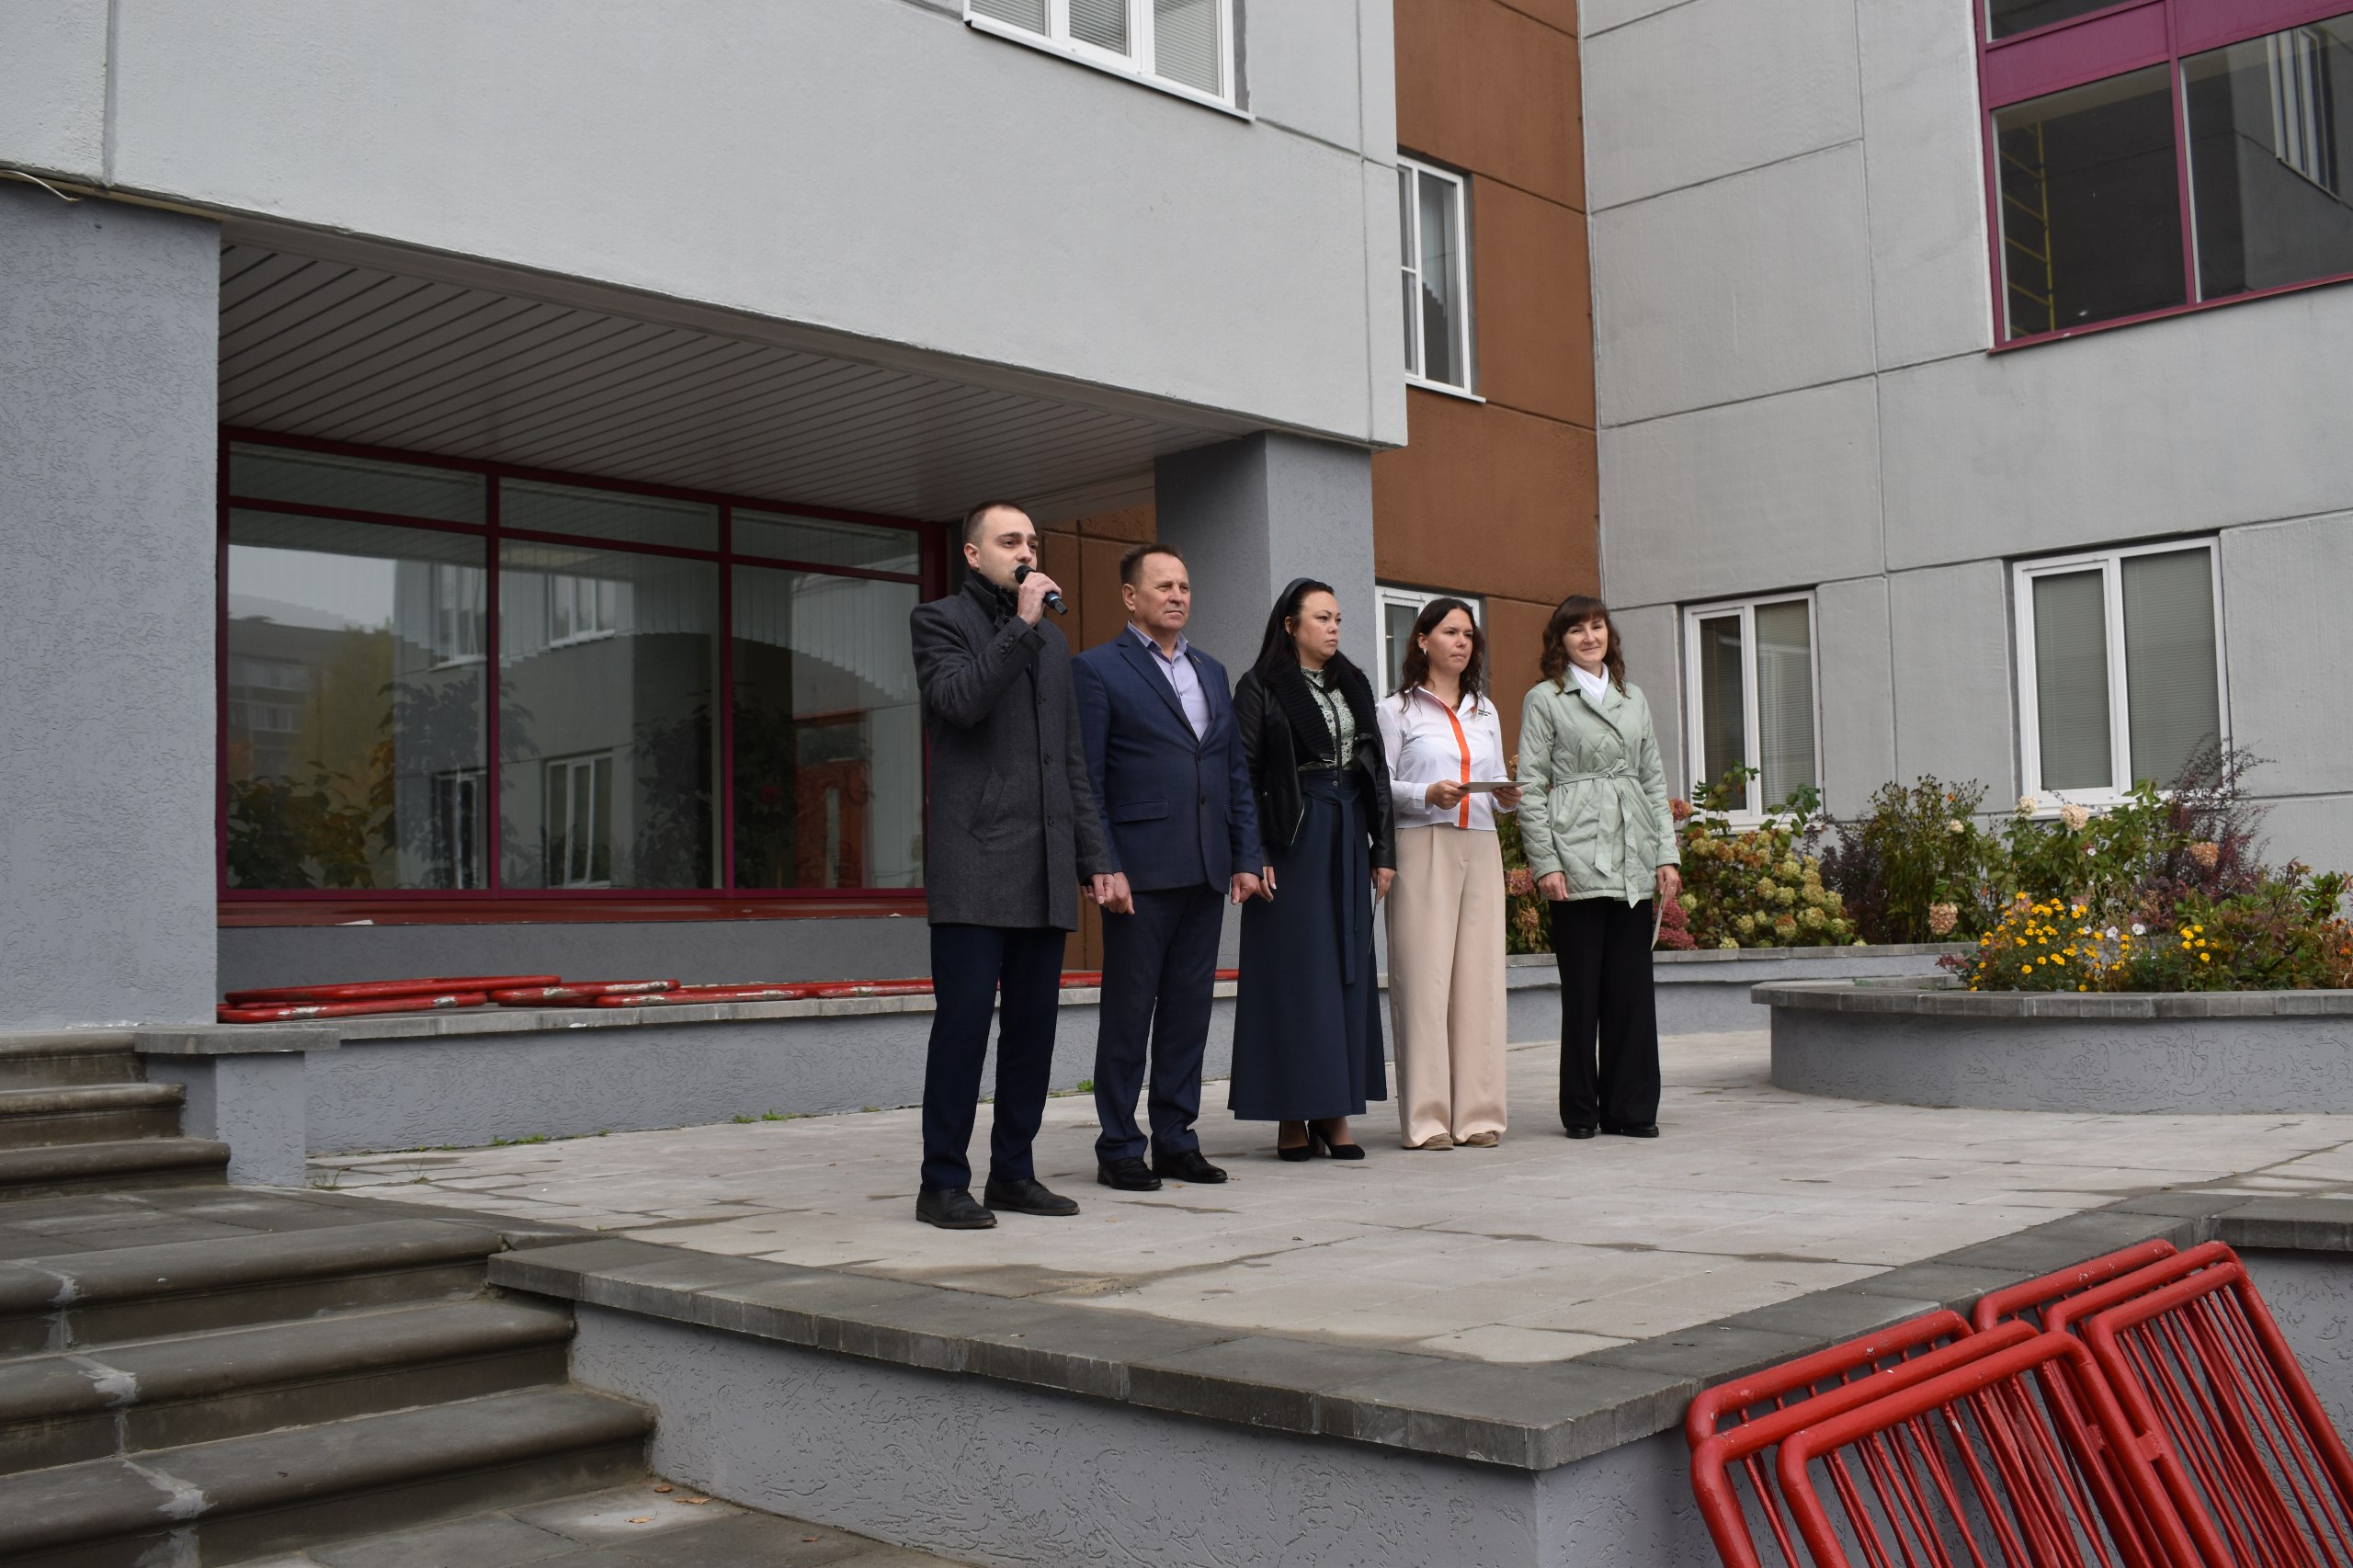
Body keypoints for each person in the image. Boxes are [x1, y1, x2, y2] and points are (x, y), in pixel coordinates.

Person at [907, 500, 1122, 1229]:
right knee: (964, 1029)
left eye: (1031, 541)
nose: (1026, 552)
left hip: (1044, 863)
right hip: (974, 862)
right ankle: (942, 1183)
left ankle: (1013, 1173)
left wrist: (1093, 855)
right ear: (973, 554)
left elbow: (1069, 760)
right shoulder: (939, 621)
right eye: (1009, 541)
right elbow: (960, 701)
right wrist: (1021, 626)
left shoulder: (1052, 644)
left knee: (1033, 1032)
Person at [1071, 544, 1264, 1191]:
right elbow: (1088, 779)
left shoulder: (1211, 669)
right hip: (1139, 873)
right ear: (1131, 596)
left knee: (1189, 1014)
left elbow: (1232, 770)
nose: (1178, 595)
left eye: (1183, 585)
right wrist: (1103, 863)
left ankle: (1176, 1139)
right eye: (1163, 586)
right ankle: (1119, 1146)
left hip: (1207, 868)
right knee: (1129, 1016)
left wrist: (1246, 855)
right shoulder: (1097, 669)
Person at [1228, 578, 1396, 1160]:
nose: (1333, 628)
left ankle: (1334, 1109)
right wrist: (1253, 853)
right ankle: (1290, 1113)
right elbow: (1243, 775)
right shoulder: (1260, 686)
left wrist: (1383, 851)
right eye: (1322, 618)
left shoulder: (1353, 683)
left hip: (1348, 830)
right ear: (1290, 625)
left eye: (1338, 619)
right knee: (1295, 975)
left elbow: (1376, 770)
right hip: (1290, 837)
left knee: (1346, 971)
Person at [1517, 594, 1681, 1140]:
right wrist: (1545, 862)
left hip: (1633, 851)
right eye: (1576, 630)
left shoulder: (1633, 697)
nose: (1590, 638)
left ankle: (1631, 1109)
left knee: (1631, 991)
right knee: (1583, 991)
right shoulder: (1545, 699)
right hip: (1576, 854)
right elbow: (1530, 787)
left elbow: (1653, 779)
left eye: (1597, 627)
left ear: (1609, 634)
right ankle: (1581, 1111)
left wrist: (1666, 853)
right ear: (1559, 641)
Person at [1377, 598, 1522, 1151]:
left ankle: (1478, 1115)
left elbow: (1497, 777)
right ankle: (1427, 1119)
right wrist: (1425, 793)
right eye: (1450, 632)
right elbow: (1378, 785)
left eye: (1468, 634)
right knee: (1424, 980)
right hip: (1421, 844)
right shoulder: (1396, 710)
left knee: (1480, 981)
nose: (1462, 642)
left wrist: (1506, 795)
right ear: (1422, 640)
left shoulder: (1486, 711)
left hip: (1480, 845)